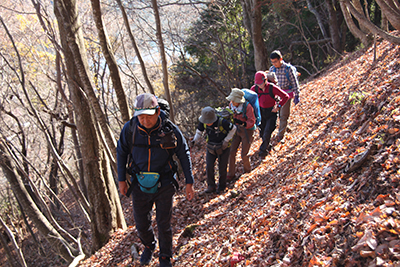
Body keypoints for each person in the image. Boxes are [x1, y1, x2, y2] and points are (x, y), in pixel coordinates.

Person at [117, 93, 194, 267]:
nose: (144, 120)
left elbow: (183, 153)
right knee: (141, 223)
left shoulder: (169, 129)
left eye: (148, 116)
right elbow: (121, 153)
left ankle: (165, 256)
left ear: (158, 111)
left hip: (165, 182)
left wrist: (190, 181)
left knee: (163, 223)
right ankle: (149, 245)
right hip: (139, 183)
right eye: (140, 116)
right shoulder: (130, 129)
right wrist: (122, 179)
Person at [192, 106, 236, 194]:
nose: (207, 123)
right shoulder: (203, 122)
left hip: (223, 147)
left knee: (222, 167)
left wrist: (226, 141)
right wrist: (194, 141)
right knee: (209, 166)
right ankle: (211, 186)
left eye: (209, 121)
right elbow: (199, 132)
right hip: (211, 146)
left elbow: (233, 129)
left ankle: (221, 187)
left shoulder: (222, 122)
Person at [251, 71, 289, 158]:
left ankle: (262, 152)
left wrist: (278, 107)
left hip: (271, 113)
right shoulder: (254, 89)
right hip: (261, 113)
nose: (259, 86)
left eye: (261, 83)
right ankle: (268, 146)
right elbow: (249, 98)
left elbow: (285, 96)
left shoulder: (272, 88)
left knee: (267, 132)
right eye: (257, 84)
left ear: (265, 80)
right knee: (262, 134)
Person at [269, 50, 300, 143]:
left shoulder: (288, 69)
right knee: (279, 114)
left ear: (280, 59)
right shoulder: (272, 69)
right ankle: (285, 127)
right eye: (272, 62)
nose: (274, 64)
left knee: (283, 115)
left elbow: (294, 82)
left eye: (275, 61)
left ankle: (280, 135)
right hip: (277, 94)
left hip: (287, 93)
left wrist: (297, 94)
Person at [226, 88, 256, 181]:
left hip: (247, 131)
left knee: (244, 153)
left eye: (234, 100)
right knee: (231, 151)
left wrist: (243, 123)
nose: (232, 101)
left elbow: (252, 121)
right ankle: (231, 174)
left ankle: (247, 171)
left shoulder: (247, 107)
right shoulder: (231, 105)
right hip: (236, 130)